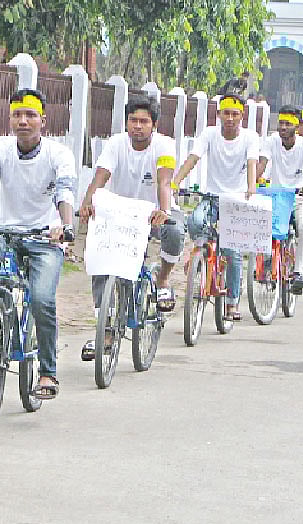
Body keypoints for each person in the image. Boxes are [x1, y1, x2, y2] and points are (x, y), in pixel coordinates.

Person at [0, 88, 75, 399]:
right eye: (17, 115)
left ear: (43, 121)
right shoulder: (0, 151)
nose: (23, 121)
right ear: (10, 120)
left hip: (45, 238)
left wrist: (66, 226)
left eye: (30, 115)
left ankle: (48, 371)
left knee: (41, 299)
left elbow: (64, 192)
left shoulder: (58, 155)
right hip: (5, 233)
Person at [78, 94, 183, 358]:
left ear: (154, 125)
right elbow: (100, 176)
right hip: (117, 214)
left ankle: (163, 279)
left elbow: (164, 181)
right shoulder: (115, 144)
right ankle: (106, 330)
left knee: (174, 231)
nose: (137, 126)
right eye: (133, 120)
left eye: (144, 121)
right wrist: (87, 203)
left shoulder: (165, 146)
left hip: (151, 215)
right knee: (101, 264)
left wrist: (164, 210)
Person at [171, 91, 259, 321]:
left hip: (236, 200)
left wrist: (251, 188)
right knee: (196, 221)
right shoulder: (209, 134)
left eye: (235, 114)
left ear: (242, 116)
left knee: (233, 252)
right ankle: (198, 254)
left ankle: (232, 302)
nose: (230, 118)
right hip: (212, 196)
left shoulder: (250, 138)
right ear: (218, 114)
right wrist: (176, 182)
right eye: (226, 113)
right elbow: (193, 158)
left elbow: (252, 164)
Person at [257, 106, 303, 294]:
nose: (283, 127)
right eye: (281, 123)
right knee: (262, 226)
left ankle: (298, 272)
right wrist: (251, 183)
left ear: (297, 127)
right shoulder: (271, 140)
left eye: (288, 124)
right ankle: (266, 261)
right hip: (277, 196)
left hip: (300, 196)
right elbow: (262, 164)